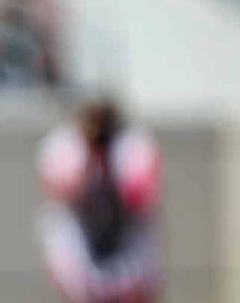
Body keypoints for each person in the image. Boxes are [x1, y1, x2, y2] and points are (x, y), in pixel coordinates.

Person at [37, 98, 162, 303]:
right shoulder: (63, 145)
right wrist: (89, 159)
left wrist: (109, 167)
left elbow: (139, 199)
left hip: (126, 229)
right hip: (80, 228)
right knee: (55, 224)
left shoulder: (135, 145)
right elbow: (60, 191)